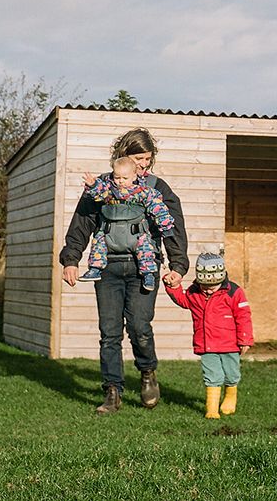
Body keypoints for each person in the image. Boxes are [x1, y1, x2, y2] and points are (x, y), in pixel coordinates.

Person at [60, 128, 189, 415]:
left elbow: (173, 228)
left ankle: (146, 372)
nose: (143, 164)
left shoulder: (157, 188)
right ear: (122, 156)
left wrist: (178, 265)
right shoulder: (102, 187)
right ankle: (112, 392)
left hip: (144, 268)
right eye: (137, 158)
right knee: (109, 333)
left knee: (140, 328)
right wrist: (71, 258)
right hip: (108, 267)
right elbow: (82, 223)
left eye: (147, 158)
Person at [164, 252, 254, 419]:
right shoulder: (194, 292)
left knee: (231, 373)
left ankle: (230, 395)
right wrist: (172, 287)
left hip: (230, 344)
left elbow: (243, 316)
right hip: (207, 344)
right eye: (204, 285)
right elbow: (183, 300)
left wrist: (245, 339)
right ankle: (211, 408)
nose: (208, 289)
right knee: (211, 375)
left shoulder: (234, 292)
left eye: (213, 286)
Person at [78, 155, 176, 291]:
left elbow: (159, 208)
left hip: (135, 234)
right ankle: (95, 269)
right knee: (98, 242)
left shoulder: (143, 192)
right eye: (117, 178)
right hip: (110, 233)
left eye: (125, 178)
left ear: (134, 176)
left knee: (146, 247)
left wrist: (166, 227)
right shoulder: (109, 190)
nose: (120, 182)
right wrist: (93, 185)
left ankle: (148, 274)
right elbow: (98, 192)